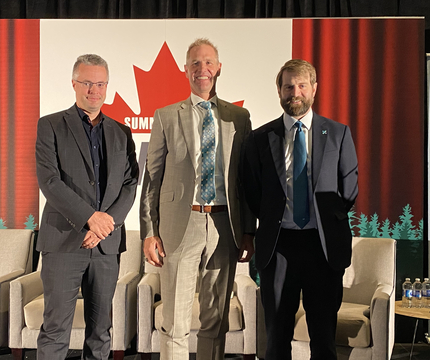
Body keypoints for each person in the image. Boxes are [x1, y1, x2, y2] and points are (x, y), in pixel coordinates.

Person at [140, 38, 256, 360]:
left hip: (224, 227)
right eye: (194, 63)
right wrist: (149, 232)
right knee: (174, 324)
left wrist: (248, 231)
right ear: (185, 69)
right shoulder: (166, 116)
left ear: (218, 68)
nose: (201, 69)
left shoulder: (240, 118)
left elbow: (245, 182)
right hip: (180, 226)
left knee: (215, 324)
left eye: (208, 62)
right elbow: (152, 179)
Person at [242, 59, 358, 360]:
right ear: (279, 91)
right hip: (278, 248)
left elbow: (348, 191)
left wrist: (321, 218)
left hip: (323, 249)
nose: (295, 92)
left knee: (323, 340)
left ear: (314, 89)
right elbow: (253, 193)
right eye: (288, 86)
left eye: (302, 85)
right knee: (276, 341)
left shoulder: (337, 134)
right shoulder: (259, 139)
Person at [35, 54, 139, 360]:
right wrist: (90, 219)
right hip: (64, 242)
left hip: (106, 247)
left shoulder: (121, 131)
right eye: (87, 82)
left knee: (101, 332)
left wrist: (106, 224)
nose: (94, 89)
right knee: (55, 330)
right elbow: (50, 181)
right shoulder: (51, 125)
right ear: (74, 84)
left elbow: (130, 184)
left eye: (101, 83)